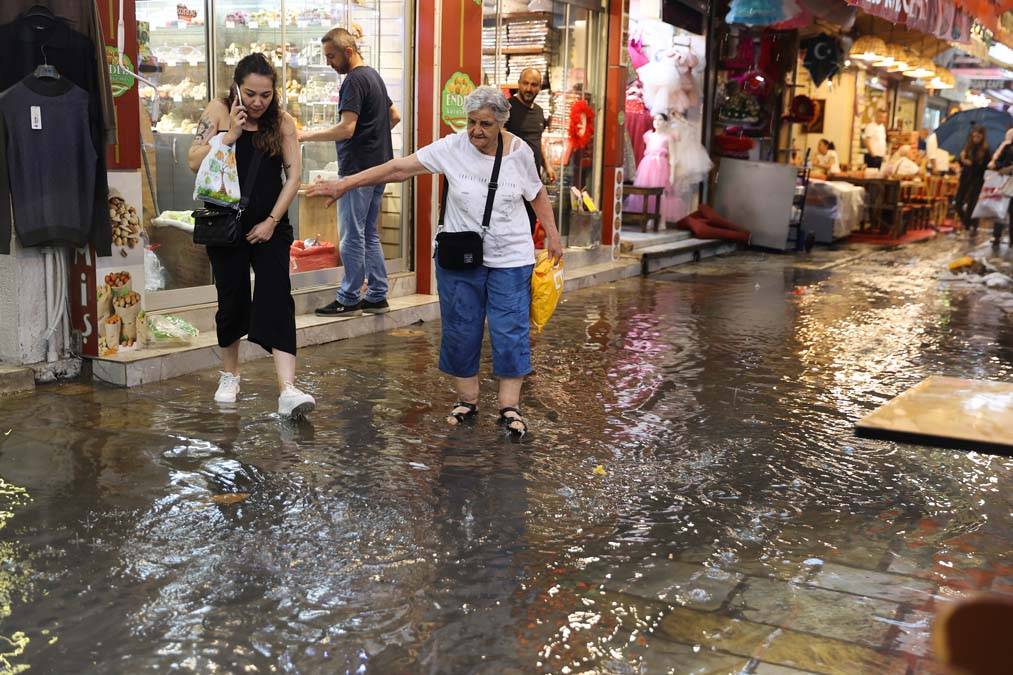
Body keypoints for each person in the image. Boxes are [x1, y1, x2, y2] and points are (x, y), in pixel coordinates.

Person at [306, 86, 564, 437]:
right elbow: (398, 168)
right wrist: (345, 184)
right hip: (461, 258)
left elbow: (536, 194)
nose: (476, 131)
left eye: (485, 124)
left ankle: (509, 407)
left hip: (511, 256)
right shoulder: (452, 147)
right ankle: (467, 400)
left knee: (510, 331)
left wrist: (552, 233)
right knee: (462, 327)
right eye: (471, 122)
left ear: (502, 123)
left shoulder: (519, 152)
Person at [188, 53, 315, 419]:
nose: (259, 102)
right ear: (236, 88)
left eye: (266, 95)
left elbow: (293, 178)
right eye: (251, 94)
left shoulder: (283, 122)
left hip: (270, 225)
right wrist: (230, 136)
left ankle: (287, 389)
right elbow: (194, 160)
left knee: (277, 295)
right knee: (232, 299)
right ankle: (230, 375)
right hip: (225, 224)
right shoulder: (218, 110)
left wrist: (273, 221)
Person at [298, 27, 401, 317]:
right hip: (379, 166)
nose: (329, 62)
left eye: (331, 56)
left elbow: (346, 128)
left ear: (348, 52)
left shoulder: (354, 80)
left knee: (352, 235)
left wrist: (305, 136)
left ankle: (349, 295)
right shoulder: (374, 76)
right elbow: (394, 116)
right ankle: (378, 293)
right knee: (369, 233)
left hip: (357, 171)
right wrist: (372, 139)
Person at [505, 68, 557, 233]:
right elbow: (499, 141)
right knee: (511, 226)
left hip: (532, 180)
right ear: (519, 84)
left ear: (539, 87)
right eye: (525, 83)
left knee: (529, 224)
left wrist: (547, 165)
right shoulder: (507, 108)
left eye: (534, 85)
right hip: (511, 179)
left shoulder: (539, 112)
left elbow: (537, 142)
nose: (529, 88)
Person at [953, 126, 990, 232]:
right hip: (965, 178)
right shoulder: (967, 147)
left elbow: (983, 167)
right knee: (958, 203)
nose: (976, 137)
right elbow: (961, 162)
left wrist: (969, 163)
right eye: (974, 135)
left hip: (977, 179)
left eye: (978, 135)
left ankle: (970, 225)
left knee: (972, 204)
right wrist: (961, 158)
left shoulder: (985, 150)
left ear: (982, 136)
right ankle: (968, 222)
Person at [986, 129, 1013, 247]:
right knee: (999, 207)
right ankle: (996, 235)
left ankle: (1011, 239)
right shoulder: (1005, 147)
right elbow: (996, 162)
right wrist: (1001, 168)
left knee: (1011, 210)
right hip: (1003, 180)